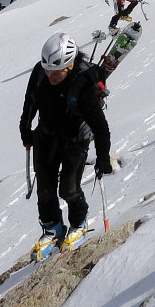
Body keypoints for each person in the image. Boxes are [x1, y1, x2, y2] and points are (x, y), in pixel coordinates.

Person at [19, 32, 114, 243]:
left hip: (75, 140)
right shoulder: (40, 72)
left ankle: (79, 222)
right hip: (45, 136)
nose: (50, 76)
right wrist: (25, 128)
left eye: (56, 72)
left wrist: (103, 158)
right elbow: (31, 101)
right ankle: (52, 228)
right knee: (45, 189)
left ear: (70, 66)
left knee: (69, 189)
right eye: (48, 70)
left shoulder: (84, 87)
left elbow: (100, 126)